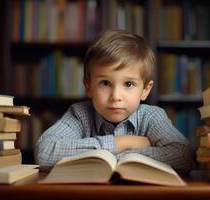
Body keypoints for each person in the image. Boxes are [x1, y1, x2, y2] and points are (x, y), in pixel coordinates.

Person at [35, 30, 192, 173]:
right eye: (105, 83)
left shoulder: (152, 116)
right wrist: (123, 142)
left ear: (145, 90)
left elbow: (183, 155)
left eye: (128, 84)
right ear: (88, 86)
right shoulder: (79, 114)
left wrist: (117, 157)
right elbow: (45, 153)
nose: (116, 96)